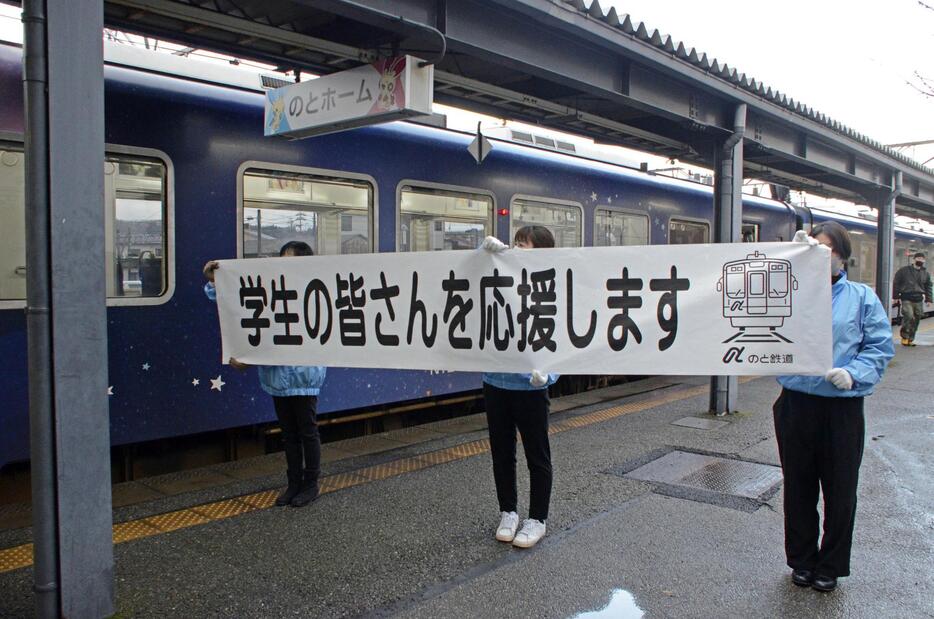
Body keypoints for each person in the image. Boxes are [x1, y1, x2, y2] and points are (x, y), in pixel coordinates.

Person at [774, 223, 894, 592]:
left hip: (841, 409)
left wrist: (854, 374)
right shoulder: (788, 291)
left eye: (827, 250)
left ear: (842, 256)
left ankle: (831, 564)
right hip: (795, 404)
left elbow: (879, 346)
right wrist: (787, 261)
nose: (821, 256)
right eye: (814, 249)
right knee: (798, 488)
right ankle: (802, 560)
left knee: (841, 491)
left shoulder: (861, 298)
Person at [203, 241, 327, 508]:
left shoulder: (312, 289)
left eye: (288, 260)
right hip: (276, 378)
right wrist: (216, 281)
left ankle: (311, 484)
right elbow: (234, 301)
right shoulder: (273, 288)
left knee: (306, 431)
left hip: (304, 378)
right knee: (289, 434)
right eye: (281, 259)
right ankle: (294, 483)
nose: (282, 264)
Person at [480, 226, 559, 549]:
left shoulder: (551, 287)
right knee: (502, 453)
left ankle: (537, 518)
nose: (515, 249)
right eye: (515, 244)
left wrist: (549, 375)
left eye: (523, 245)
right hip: (495, 381)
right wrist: (482, 255)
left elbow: (564, 338)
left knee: (536, 455)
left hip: (530, 386)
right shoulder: (502, 278)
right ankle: (508, 512)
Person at [892, 251, 932, 346]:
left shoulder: (925, 273)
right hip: (906, 297)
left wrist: (929, 299)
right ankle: (905, 337)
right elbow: (896, 282)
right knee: (908, 316)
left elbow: (928, 286)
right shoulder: (904, 271)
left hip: (918, 298)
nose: (920, 261)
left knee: (917, 318)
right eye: (918, 259)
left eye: (922, 259)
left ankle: (911, 338)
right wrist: (896, 296)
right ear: (914, 259)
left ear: (924, 261)